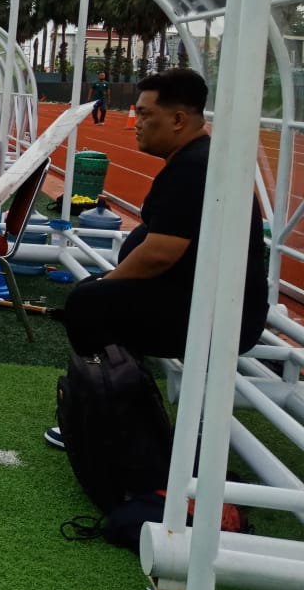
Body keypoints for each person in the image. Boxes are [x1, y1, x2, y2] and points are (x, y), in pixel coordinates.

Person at [44, 70, 268, 444]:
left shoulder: (193, 168)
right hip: (209, 302)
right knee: (93, 295)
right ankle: (114, 408)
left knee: (88, 303)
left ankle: (117, 423)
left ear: (178, 119)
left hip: (220, 318)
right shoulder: (198, 160)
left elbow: (160, 254)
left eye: (146, 114)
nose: (138, 123)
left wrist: (107, 284)